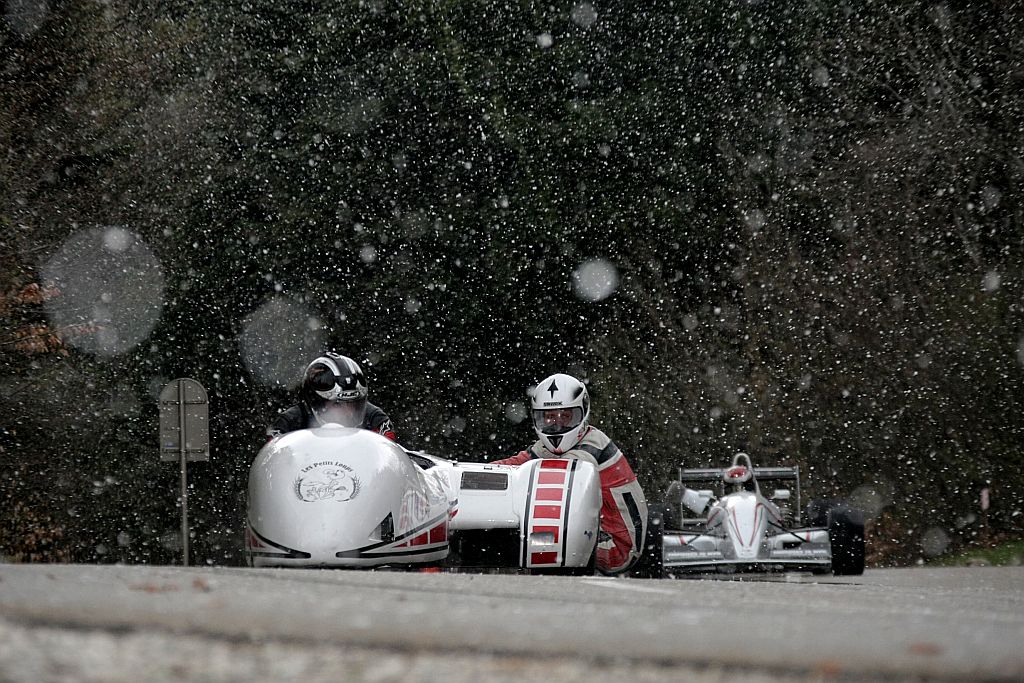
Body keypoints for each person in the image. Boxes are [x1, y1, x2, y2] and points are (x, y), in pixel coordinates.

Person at [491, 373, 647, 575]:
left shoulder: (592, 448)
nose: (557, 425)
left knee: (521, 540)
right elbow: (511, 466)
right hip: (588, 536)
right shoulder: (548, 449)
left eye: (565, 417)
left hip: (616, 547)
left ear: (582, 414)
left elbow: (553, 476)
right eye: (549, 417)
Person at [266, 352, 396, 441]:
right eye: (338, 404)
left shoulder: (377, 421)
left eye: (353, 404)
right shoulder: (287, 425)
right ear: (315, 403)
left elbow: (388, 457)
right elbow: (273, 462)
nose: (349, 412)